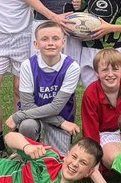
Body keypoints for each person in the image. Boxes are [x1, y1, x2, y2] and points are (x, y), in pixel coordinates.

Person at [8, 21, 81, 153]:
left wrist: (18, 116)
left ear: (63, 42)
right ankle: (25, 155)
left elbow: (56, 107)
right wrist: (60, 122)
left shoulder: (71, 67)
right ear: (36, 44)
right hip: (41, 119)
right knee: (27, 125)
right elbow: (28, 105)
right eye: (44, 39)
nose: (50, 43)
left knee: (58, 162)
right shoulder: (28, 65)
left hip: (62, 118)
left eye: (55, 38)